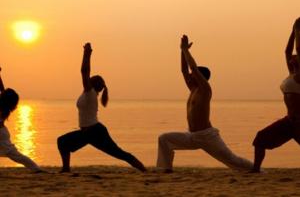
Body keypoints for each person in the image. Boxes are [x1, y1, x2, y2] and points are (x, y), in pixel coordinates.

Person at [156, 35, 253, 173]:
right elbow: (184, 70)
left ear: (199, 77)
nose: (189, 76)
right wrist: (181, 50)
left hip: (207, 136)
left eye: (192, 75)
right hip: (192, 136)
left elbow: (193, 68)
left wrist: (186, 50)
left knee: (232, 159)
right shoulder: (193, 89)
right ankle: (165, 169)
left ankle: (256, 170)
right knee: (164, 139)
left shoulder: (205, 90)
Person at [57, 43, 146, 173]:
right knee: (63, 142)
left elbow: (84, 71)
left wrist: (87, 53)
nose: (87, 80)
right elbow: (86, 74)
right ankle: (66, 169)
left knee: (118, 153)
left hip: (94, 132)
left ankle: (143, 170)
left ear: (91, 84)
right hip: (90, 132)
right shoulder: (89, 94)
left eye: (89, 79)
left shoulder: (90, 93)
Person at [252, 18, 300, 172]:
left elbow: (299, 49)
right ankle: (255, 169)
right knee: (260, 139)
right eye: (291, 59)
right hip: (289, 121)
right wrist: (292, 32)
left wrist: (298, 30)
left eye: (295, 57)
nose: (291, 58)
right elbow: (287, 51)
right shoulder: (291, 74)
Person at [0, 67, 42, 173]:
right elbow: (2, 90)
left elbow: (2, 91)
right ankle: (36, 168)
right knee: (17, 156)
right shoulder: (5, 107)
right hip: (3, 133)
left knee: (16, 155)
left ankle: (36, 169)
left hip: (2, 134)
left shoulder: (2, 106)